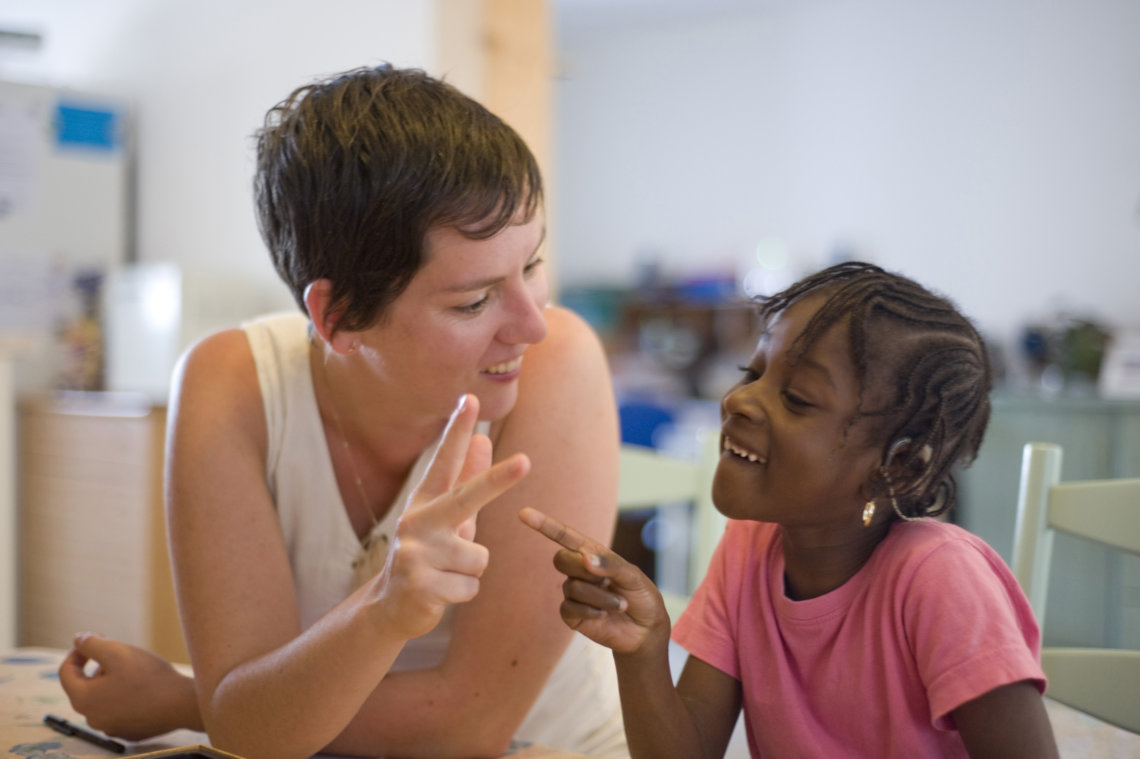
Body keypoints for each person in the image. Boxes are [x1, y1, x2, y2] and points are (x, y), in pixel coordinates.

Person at [58, 64, 627, 759]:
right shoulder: (232, 388)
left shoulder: (558, 364)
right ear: (338, 317)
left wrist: (190, 701)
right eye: (473, 301)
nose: (530, 324)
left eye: (532, 265)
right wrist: (383, 610)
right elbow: (246, 717)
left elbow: (468, 727)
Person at [521, 261, 1061, 759]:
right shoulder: (748, 552)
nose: (739, 400)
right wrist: (643, 648)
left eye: (798, 398)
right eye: (753, 374)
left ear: (897, 466)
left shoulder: (942, 579)